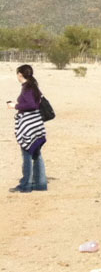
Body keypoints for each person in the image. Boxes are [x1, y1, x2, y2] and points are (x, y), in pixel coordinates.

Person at [9, 64, 49, 193]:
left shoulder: (27, 87)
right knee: (36, 154)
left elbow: (31, 105)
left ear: (20, 74)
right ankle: (41, 184)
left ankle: (25, 185)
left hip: (29, 126)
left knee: (27, 154)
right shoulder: (33, 86)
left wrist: (15, 106)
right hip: (37, 125)